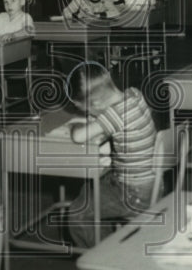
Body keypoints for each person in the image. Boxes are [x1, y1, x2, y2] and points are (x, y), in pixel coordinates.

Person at [66, 62, 157, 248]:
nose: (87, 114)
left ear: (97, 103)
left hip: (133, 194)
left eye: (85, 110)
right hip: (152, 184)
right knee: (91, 188)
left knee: (77, 212)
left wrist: (75, 125)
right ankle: (109, 239)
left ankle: (105, 254)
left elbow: (78, 136)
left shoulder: (114, 115)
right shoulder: (134, 94)